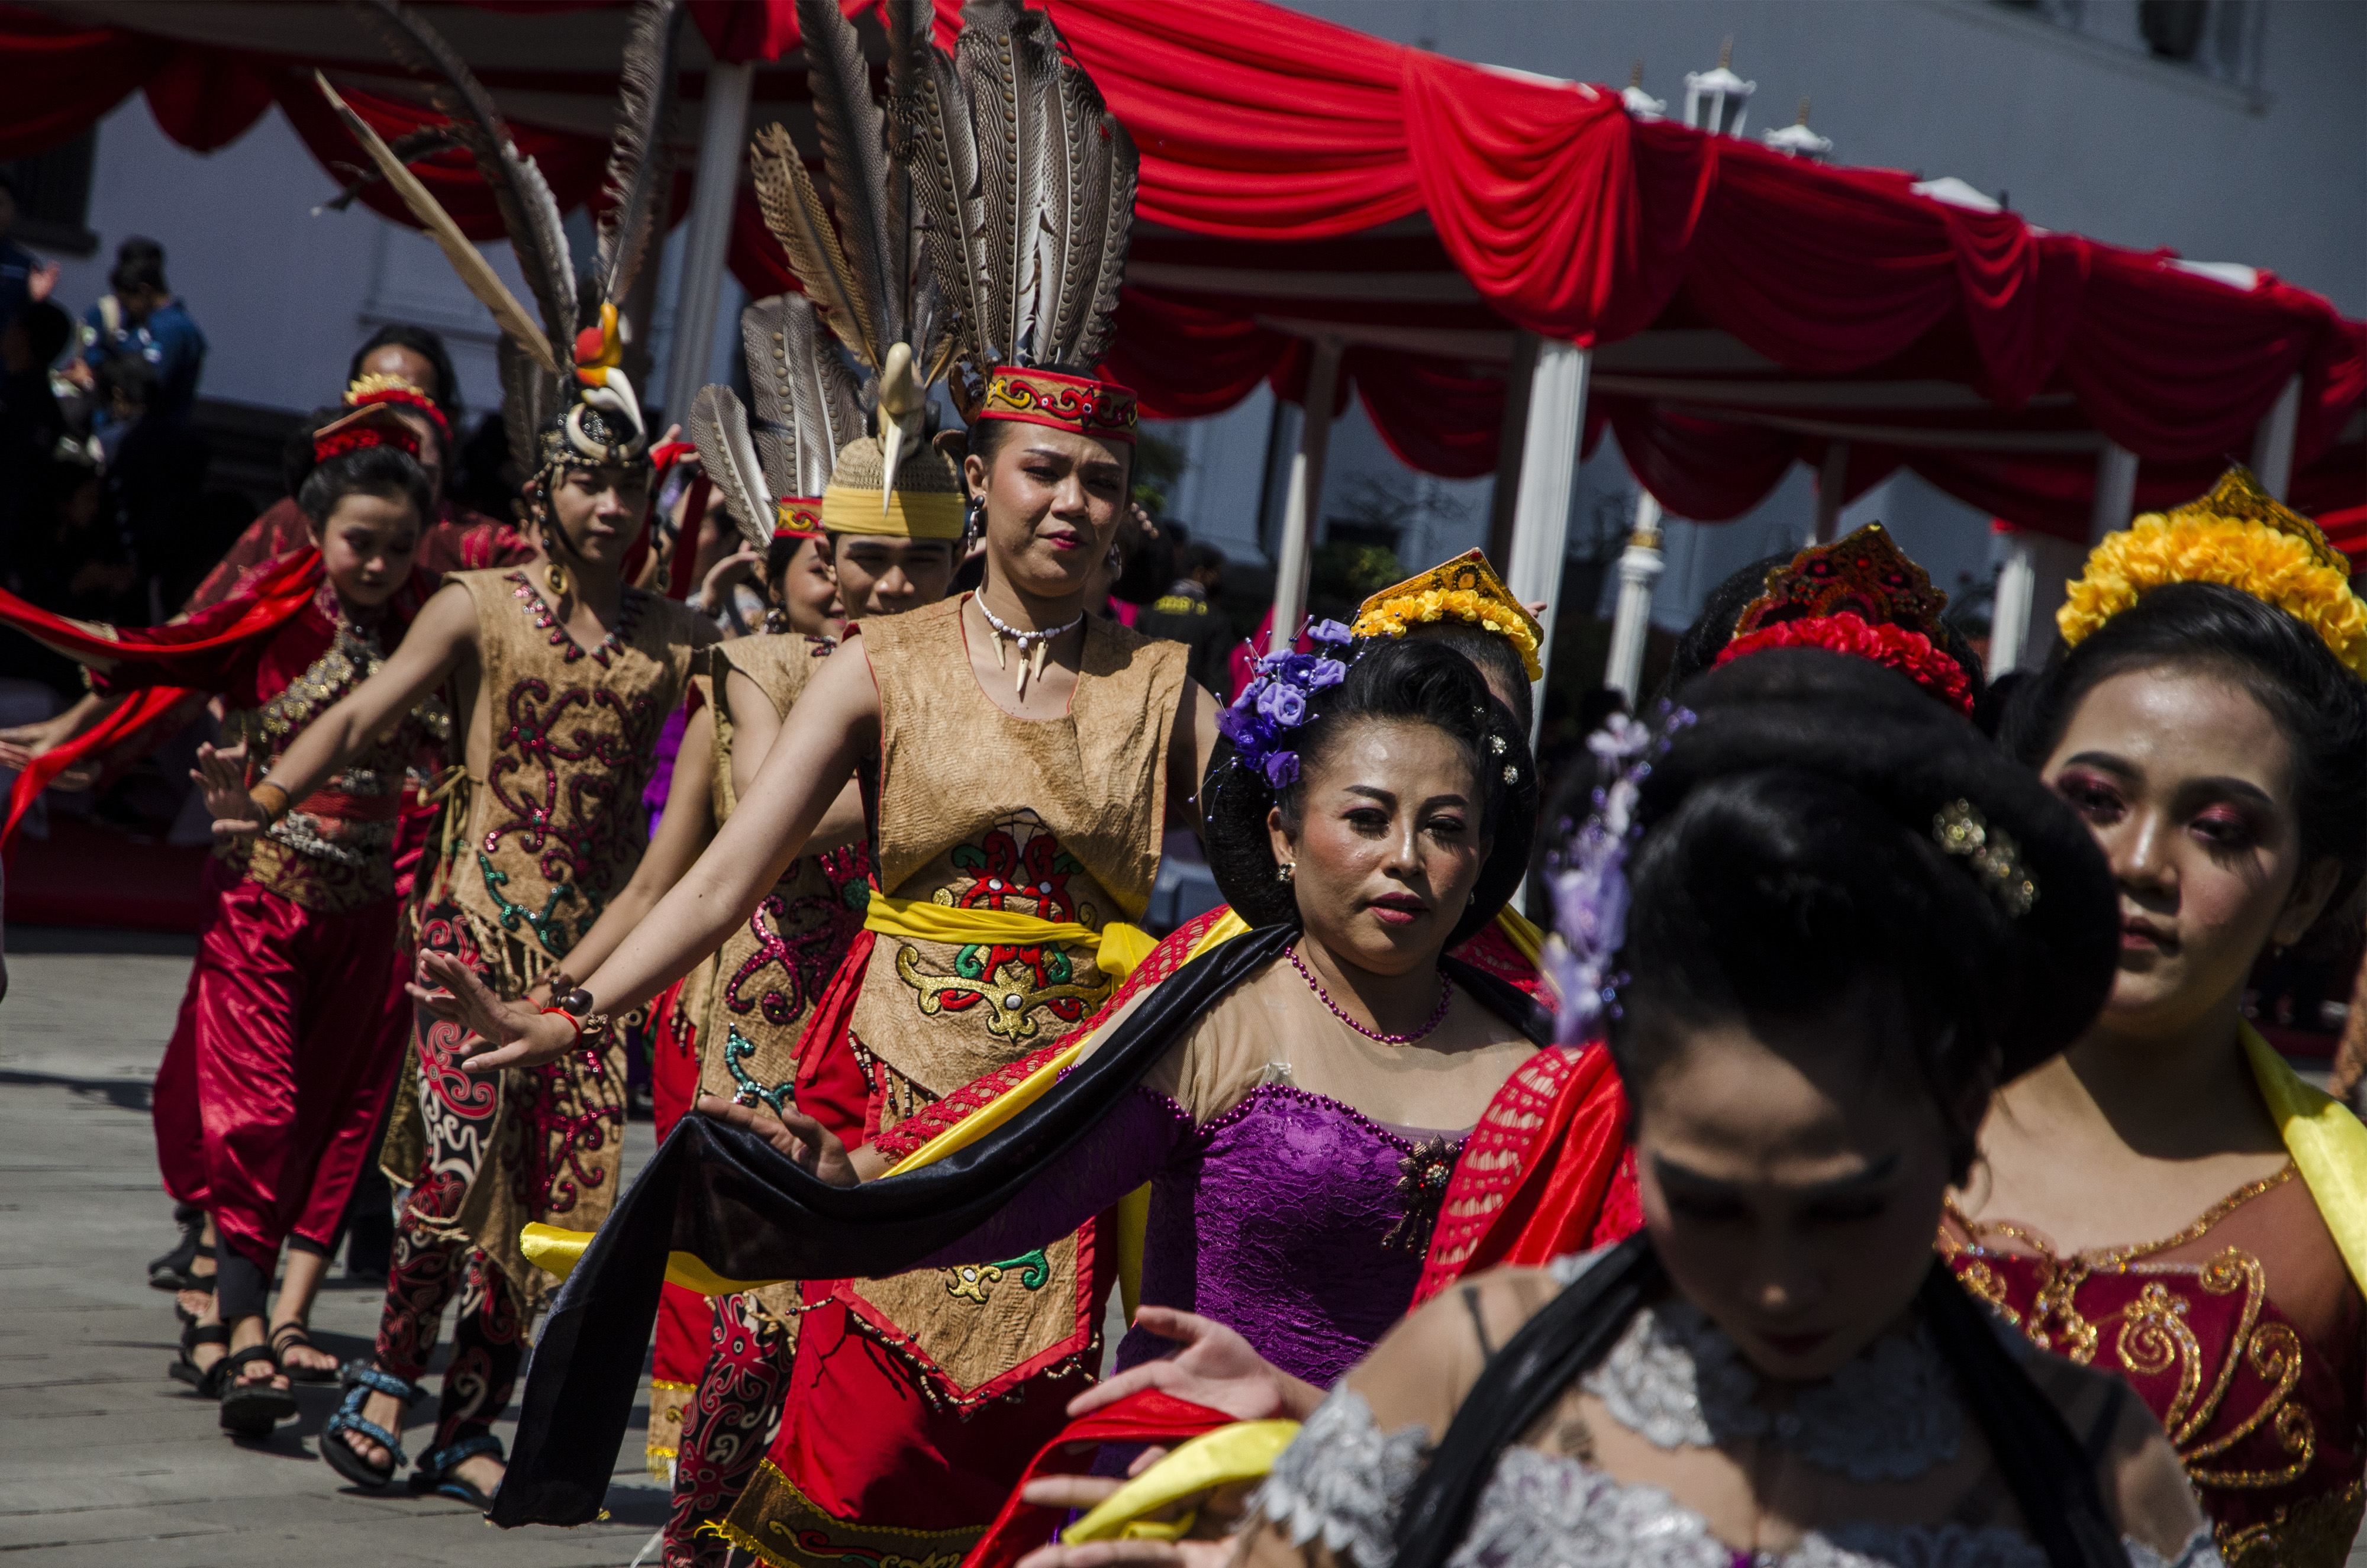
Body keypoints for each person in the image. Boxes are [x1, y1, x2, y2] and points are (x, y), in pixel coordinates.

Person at [421, 7, 1209, 1550]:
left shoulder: (1170, 689)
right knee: (843, 1453)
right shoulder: (881, 666)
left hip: (1070, 1131)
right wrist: (573, 1008)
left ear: (1126, 515)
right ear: (980, 484)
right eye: (1044, 469)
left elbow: (1273, 909)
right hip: (882, 1119)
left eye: (1102, 481)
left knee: (1008, 1477)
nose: (1072, 499)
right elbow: (718, 876)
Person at [1217, 650, 2223, 1568]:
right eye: (1709, 1203)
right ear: (1637, 1119)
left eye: (1845, 1208)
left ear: (1963, 1114)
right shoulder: (1460, 1374)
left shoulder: (2094, 1471)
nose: (1778, 1283)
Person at [1944, 469, 2367, 1567]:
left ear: (2309, 893)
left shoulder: (2348, 1227)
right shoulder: (1858, 1110)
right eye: (2096, 801)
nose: (2138, 864)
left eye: (2219, 829)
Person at [0, 404, 444, 1431]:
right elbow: (150, 658)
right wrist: (62, 718)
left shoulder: (437, 623)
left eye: (395, 546)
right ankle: (244, 1331)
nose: (375, 564)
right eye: (356, 543)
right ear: (315, 533)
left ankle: (241, 1310)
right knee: (259, 1111)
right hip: (260, 901)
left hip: (373, 911)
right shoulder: (267, 615)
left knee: (332, 1123)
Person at [1417, 523, 1988, 1298]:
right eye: (1777, 782)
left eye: (1879, 791)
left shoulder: (2008, 1123)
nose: (1822, 839)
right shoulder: (1567, 1107)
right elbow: (1456, 1398)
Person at [76, 240, 205, 422]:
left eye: (126, 302)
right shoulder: (146, 322)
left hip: (152, 433)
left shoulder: (171, 327)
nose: (125, 309)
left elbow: (148, 384)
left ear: (144, 291)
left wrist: (101, 377)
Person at [1134, 541, 1233, 692]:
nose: (1219, 581)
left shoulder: (1149, 608)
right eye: (1216, 573)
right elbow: (1217, 683)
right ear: (1200, 573)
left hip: (1145, 700)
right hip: (1190, 709)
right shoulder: (1215, 619)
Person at [0, 172, 60, 335]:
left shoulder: (23, 265)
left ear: (13, 211)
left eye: (1, 204)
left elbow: (29, 325)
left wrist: (35, 300)